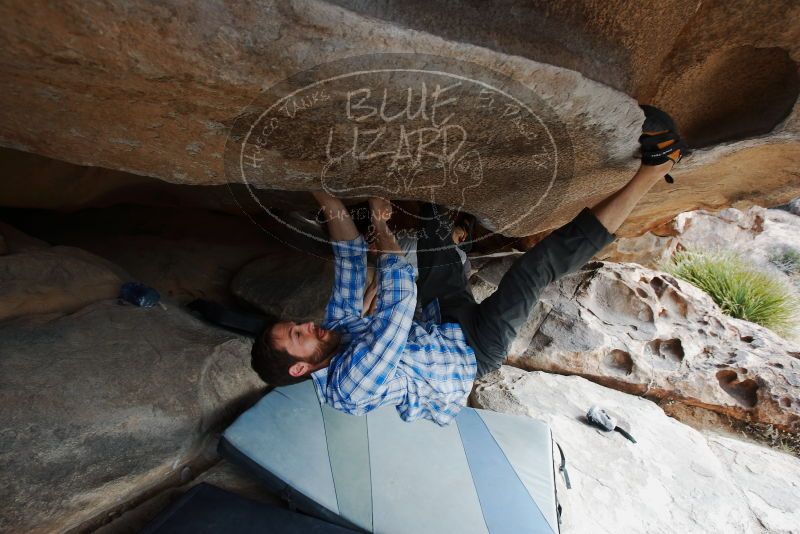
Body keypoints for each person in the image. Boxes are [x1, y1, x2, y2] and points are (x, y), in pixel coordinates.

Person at [250, 105, 685, 425]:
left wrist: (321, 195)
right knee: (532, 271)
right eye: (297, 336)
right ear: (300, 368)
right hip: (474, 351)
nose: (307, 326)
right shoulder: (350, 386)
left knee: (429, 221)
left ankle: (468, 194)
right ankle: (657, 164)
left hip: (439, 319)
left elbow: (348, 259)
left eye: (297, 324)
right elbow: (399, 297)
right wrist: (378, 222)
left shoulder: (329, 335)